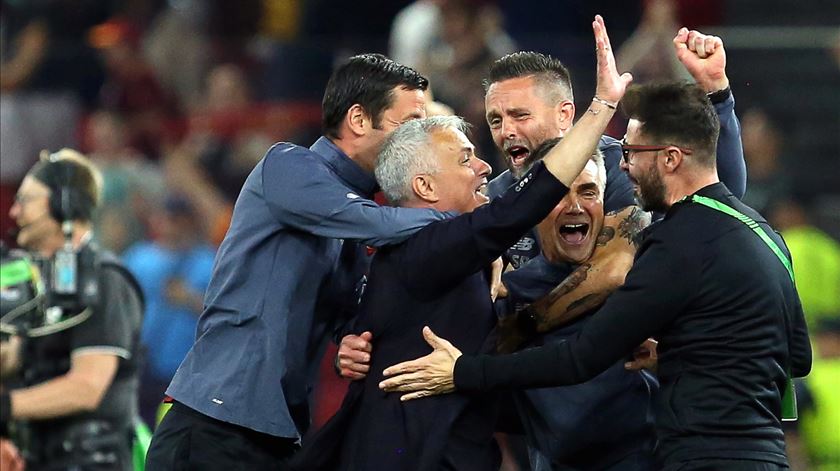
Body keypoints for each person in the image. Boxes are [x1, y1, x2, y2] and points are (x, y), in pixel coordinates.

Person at [339, 27, 747, 471]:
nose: (505, 131)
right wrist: (363, 340)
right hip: (546, 438)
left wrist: (717, 96)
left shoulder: (616, 165)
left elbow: (698, 208)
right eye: (495, 120)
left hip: (634, 429)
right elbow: (426, 283)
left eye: (519, 115)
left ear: (565, 115)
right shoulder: (489, 202)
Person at [381, 80, 813, 471]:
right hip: (766, 456)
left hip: (702, 458)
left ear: (670, 158)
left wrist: (462, 372)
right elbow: (798, 357)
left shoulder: (678, 242)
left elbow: (582, 357)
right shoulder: (765, 233)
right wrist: (688, 353)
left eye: (630, 153)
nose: (623, 167)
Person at [290, 15, 632, 470]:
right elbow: (517, 209)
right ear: (426, 187)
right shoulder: (431, 247)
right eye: (466, 159)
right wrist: (603, 105)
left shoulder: (446, 250)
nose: (485, 169)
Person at [144, 54, 450, 470]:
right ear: (359, 120)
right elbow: (372, 223)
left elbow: (349, 311)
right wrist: (464, 221)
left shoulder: (355, 210)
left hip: (275, 435)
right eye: (409, 125)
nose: (418, 141)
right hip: (215, 426)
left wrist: (349, 341)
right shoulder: (289, 166)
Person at [0, 149, 144, 470]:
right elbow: (19, 359)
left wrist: (6, 406)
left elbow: (86, 388)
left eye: (25, 200)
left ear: (63, 204)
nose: (13, 211)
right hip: (38, 457)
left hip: (90, 461)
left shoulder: (105, 281)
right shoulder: (40, 286)